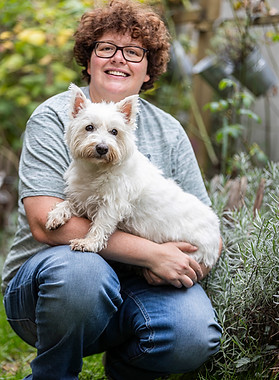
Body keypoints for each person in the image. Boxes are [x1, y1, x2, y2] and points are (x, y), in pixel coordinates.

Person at [2, 0, 222, 379]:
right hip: (52, 288)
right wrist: (153, 254)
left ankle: (127, 368)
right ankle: (53, 373)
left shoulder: (169, 130)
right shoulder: (53, 116)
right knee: (83, 275)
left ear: (148, 68)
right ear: (88, 60)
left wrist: (189, 266)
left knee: (191, 332)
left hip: (138, 285)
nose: (119, 59)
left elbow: (205, 225)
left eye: (133, 51)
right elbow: (44, 223)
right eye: (106, 48)